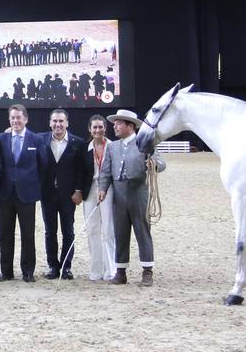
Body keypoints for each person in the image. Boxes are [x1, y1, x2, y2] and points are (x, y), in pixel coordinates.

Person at [96, 109, 165, 287]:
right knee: (120, 232)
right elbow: (105, 171)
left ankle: (147, 271)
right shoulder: (112, 147)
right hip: (118, 195)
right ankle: (120, 272)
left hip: (138, 192)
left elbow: (162, 163)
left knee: (142, 231)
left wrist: (153, 164)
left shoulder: (145, 143)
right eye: (115, 123)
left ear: (130, 125)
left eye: (119, 123)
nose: (115, 126)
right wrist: (102, 188)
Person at [38, 109, 90, 280]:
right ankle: (53, 266)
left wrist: (78, 190)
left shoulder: (78, 143)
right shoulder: (40, 140)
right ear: (49, 123)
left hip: (69, 196)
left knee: (68, 232)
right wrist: (10, 130)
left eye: (61, 121)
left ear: (67, 123)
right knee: (49, 232)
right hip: (47, 194)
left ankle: (66, 267)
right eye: (55, 121)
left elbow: (81, 170)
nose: (58, 124)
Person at [0, 103, 42, 282]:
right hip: (6, 193)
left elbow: (42, 166)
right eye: (12, 117)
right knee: (5, 234)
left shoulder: (36, 140)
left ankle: (28, 271)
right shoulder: (0, 138)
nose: (16, 120)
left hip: (27, 194)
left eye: (19, 117)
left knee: (28, 234)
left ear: (26, 119)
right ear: (9, 119)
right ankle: (6, 271)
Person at [83, 115, 116, 282]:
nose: (97, 130)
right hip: (90, 191)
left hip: (108, 190)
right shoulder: (85, 148)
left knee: (108, 230)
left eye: (100, 127)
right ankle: (96, 270)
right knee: (92, 229)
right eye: (94, 127)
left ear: (105, 128)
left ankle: (111, 270)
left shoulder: (113, 147)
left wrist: (105, 188)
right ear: (90, 129)